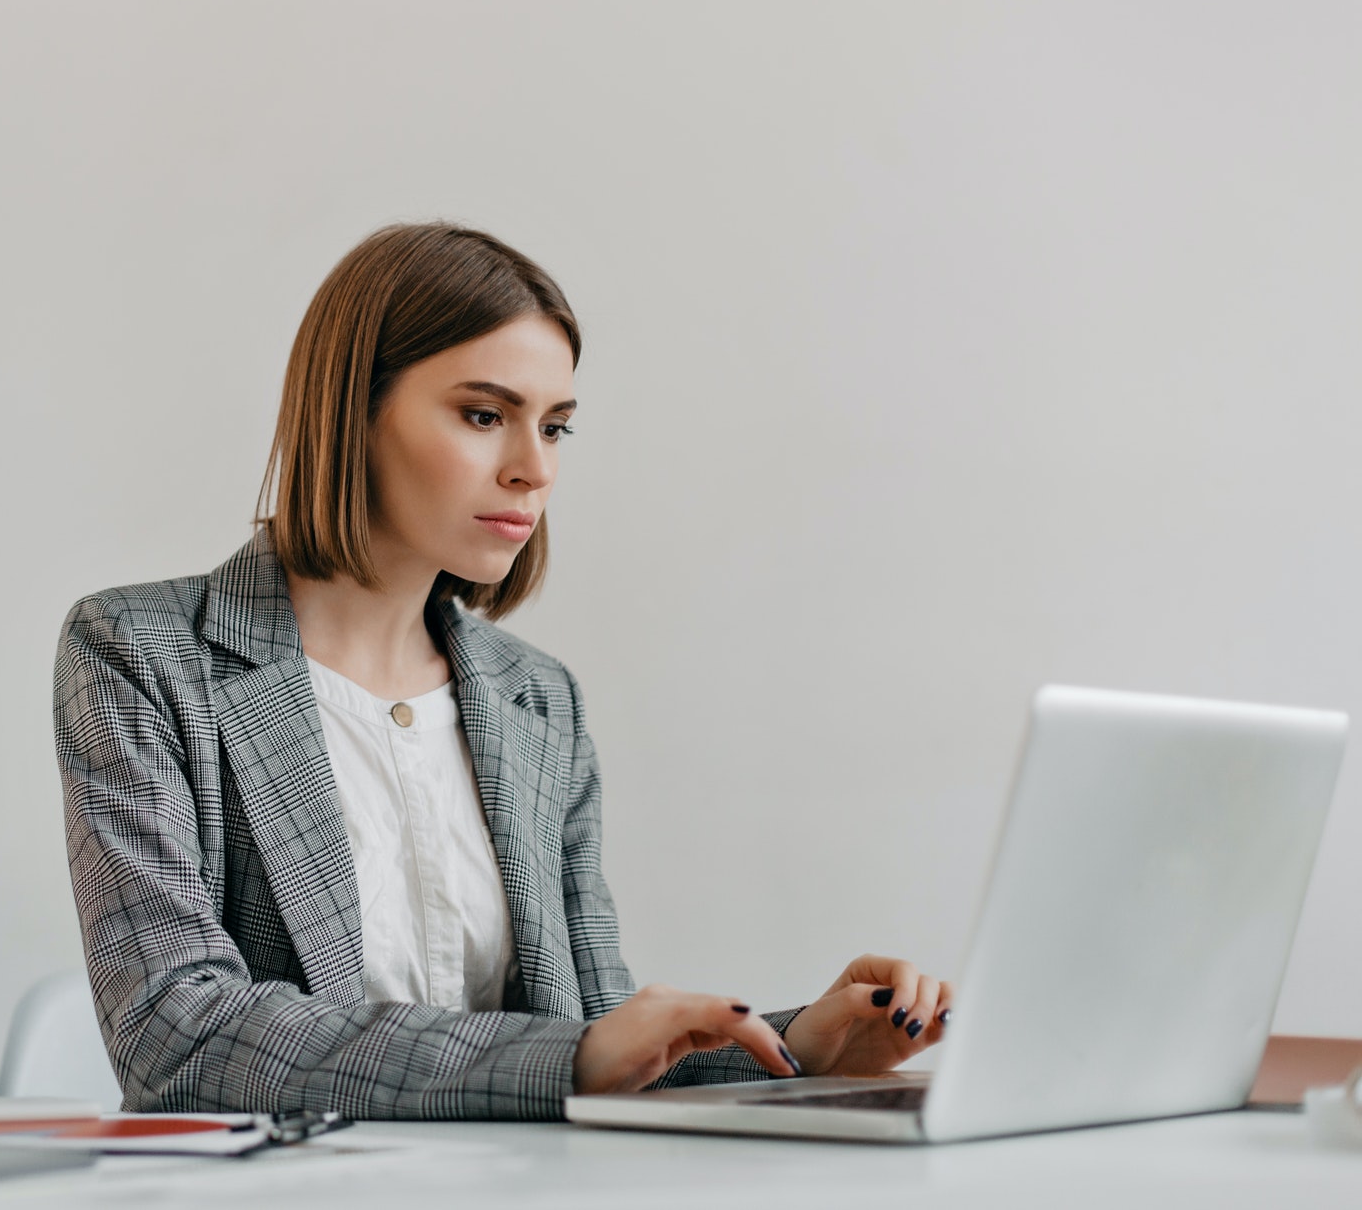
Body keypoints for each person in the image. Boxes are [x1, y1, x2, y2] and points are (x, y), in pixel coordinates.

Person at [53, 222, 953, 1118]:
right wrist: (574, 1055)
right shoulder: (141, 652)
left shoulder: (538, 700)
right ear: (352, 410)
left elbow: (603, 1038)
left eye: (554, 427)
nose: (533, 469)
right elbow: (178, 1032)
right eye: (485, 415)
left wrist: (801, 1048)